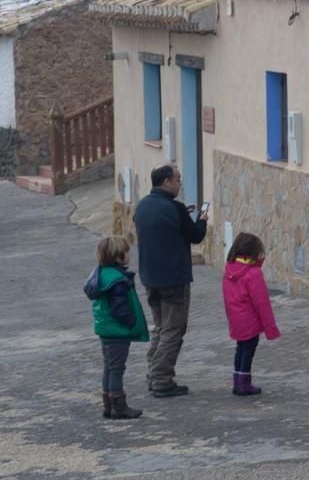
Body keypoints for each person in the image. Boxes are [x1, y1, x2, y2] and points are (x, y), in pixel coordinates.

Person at [134, 165, 208, 398]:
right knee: (174, 328)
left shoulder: (143, 206)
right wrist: (202, 219)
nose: (180, 183)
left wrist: (182, 215)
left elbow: (162, 228)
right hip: (173, 278)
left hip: (150, 277)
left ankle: (153, 374)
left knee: (160, 327)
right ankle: (162, 378)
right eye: (177, 179)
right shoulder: (174, 208)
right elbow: (196, 235)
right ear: (166, 182)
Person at [83, 236, 149, 419]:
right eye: (127, 252)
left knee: (109, 367)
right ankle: (118, 406)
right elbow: (120, 308)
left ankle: (108, 405)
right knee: (117, 368)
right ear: (118, 256)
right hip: (117, 331)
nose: (129, 254)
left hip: (105, 330)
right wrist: (131, 320)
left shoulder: (101, 274)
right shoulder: (117, 280)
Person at [222, 233, 281, 396]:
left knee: (240, 349)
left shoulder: (229, 269)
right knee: (248, 350)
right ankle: (244, 384)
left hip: (236, 318)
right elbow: (262, 303)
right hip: (250, 320)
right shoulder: (253, 274)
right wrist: (271, 328)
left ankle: (237, 381)